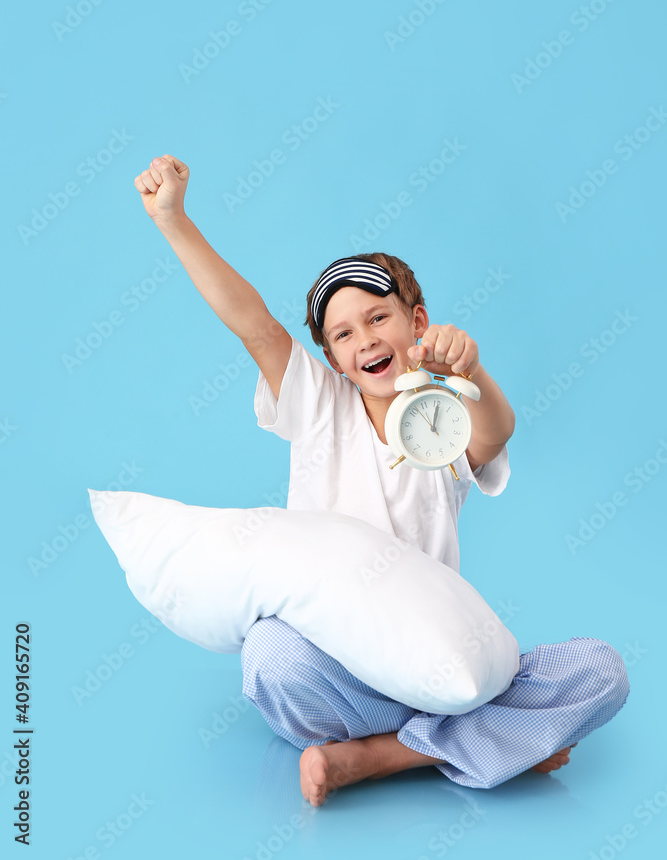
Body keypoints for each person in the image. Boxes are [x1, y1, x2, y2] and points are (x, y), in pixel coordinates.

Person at [134, 154, 630, 807]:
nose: (363, 338)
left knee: (601, 672)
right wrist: (173, 221)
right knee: (268, 661)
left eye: (376, 318)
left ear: (415, 323)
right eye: (341, 334)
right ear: (331, 358)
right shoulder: (317, 406)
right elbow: (252, 322)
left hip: (432, 660)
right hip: (339, 672)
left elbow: (495, 433)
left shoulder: (443, 411)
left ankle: (378, 758)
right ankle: (479, 740)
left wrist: (472, 373)